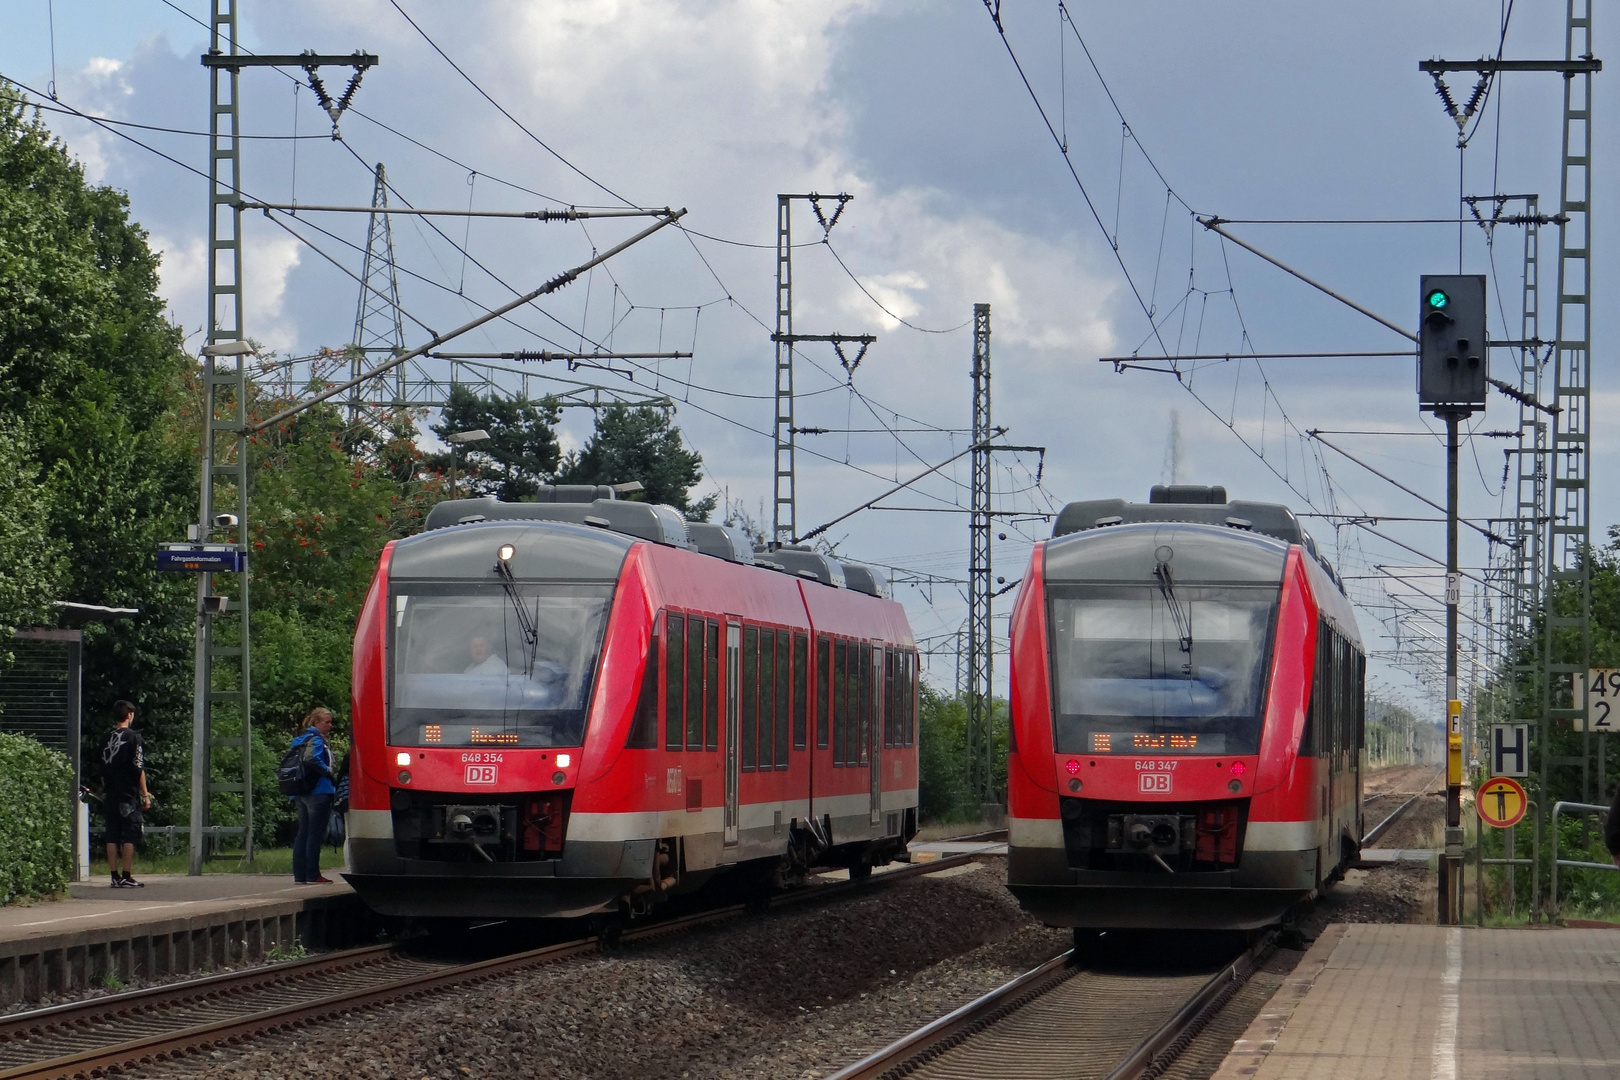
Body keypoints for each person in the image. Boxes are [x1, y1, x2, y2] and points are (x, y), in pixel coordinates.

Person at [101, 700, 151, 888]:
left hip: (111, 792)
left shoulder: (106, 737)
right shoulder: (133, 738)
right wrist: (145, 794)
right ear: (129, 715)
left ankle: (113, 876)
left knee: (112, 834)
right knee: (130, 834)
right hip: (128, 794)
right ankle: (127, 875)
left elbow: (103, 768)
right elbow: (138, 767)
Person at [290, 708, 337, 884]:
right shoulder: (317, 740)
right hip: (318, 791)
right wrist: (327, 771)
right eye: (327, 722)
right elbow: (311, 759)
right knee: (314, 834)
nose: (330, 725)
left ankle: (299, 875)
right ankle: (313, 874)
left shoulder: (299, 740)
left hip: (300, 791)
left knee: (303, 832)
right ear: (316, 723)